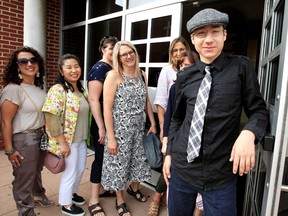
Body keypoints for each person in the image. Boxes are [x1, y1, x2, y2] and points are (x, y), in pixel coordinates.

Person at [163, 8, 269, 216]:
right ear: (193, 39)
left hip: (220, 175)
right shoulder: (185, 76)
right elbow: (177, 120)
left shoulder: (241, 68)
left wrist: (249, 134)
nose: (208, 39)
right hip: (182, 170)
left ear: (224, 35)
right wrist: (169, 154)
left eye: (215, 32)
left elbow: (259, 111)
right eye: (202, 33)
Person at [101, 40, 157, 216]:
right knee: (119, 166)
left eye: (130, 52)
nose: (128, 56)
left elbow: (146, 100)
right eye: (123, 54)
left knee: (138, 163)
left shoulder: (142, 74)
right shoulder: (113, 75)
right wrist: (111, 137)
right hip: (119, 132)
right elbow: (107, 109)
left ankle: (134, 188)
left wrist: (153, 122)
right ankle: (120, 199)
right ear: (118, 57)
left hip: (139, 130)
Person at [0, 46, 54, 216]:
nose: (29, 64)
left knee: (36, 171)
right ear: (17, 66)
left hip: (40, 136)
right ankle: (25, 211)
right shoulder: (13, 89)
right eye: (23, 61)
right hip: (24, 138)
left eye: (33, 60)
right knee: (24, 177)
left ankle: (37, 195)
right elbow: (5, 121)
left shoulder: (38, 88)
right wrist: (9, 150)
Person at [148, 51, 199, 216]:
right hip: (177, 140)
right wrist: (166, 139)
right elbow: (170, 115)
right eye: (182, 66)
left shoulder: (204, 86)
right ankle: (160, 199)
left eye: (189, 65)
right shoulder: (175, 88)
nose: (185, 68)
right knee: (171, 173)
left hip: (196, 142)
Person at [42, 54, 89, 216]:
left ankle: (72, 193)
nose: (74, 70)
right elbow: (50, 115)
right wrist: (62, 143)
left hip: (81, 139)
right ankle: (66, 204)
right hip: (68, 141)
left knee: (80, 169)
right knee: (70, 172)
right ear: (61, 71)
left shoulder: (80, 89)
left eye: (76, 66)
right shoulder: (58, 89)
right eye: (69, 67)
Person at [87, 35, 118, 216]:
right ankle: (93, 200)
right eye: (109, 47)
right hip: (102, 123)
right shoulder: (99, 68)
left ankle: (107, 188)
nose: (112, 51)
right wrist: (101, 126)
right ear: (103, 49)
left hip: (112, 122)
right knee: (100, 160)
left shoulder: (112, 67)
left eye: (115, 47)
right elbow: (93, 99)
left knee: (109, 159)